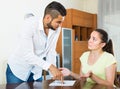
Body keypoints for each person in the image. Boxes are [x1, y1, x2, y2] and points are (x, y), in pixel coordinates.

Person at [6, 1, 66, 84]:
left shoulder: (56, 29)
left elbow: (51, 51)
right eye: (58, 22)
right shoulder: (29, 24)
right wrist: (50, 67)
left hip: (35, 72)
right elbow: (28, 55)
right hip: (18, 71)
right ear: (48, 18)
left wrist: (54, 74)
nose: (60, 25)